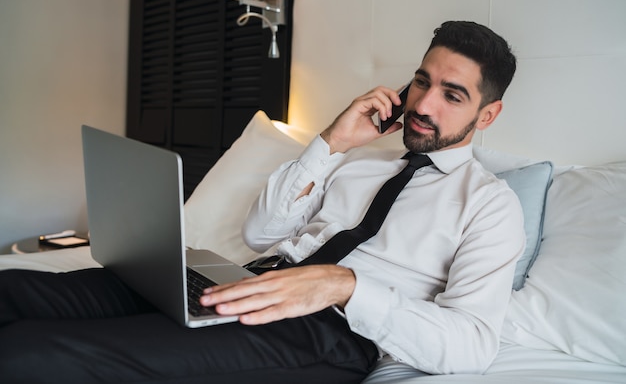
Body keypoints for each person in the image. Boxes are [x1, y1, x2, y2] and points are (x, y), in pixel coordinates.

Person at [0, 21, 524, 383]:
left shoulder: (489, 205)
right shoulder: (363, 161)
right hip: (240, 278)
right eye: (421, 82)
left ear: (488, 115)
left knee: (30, 356)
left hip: (323, 333)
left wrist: (344, 286)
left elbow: (473, 345)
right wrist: (330, 142)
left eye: (452, 96)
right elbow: (259, 234)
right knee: (12, 293)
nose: (423, 105)